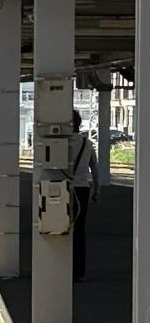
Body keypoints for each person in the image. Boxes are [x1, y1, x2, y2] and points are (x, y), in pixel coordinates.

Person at [70, 109, 100, 282]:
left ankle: (62, 267)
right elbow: (94, 168)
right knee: (79, 230)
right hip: (82, 189)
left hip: (63, 189)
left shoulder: (62, 142)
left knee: (60, 228)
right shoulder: (87, 143)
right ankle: (78, 271)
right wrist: (96, 191)